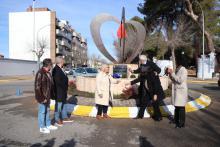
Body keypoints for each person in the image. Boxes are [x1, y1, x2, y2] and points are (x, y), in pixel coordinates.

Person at [126, 55, 163, 120]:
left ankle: (158, 117)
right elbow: (140, 75)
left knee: (155, 103)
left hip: (154, 89)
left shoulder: (151, 66)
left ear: (143, 60)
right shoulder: (143, 68)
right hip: (147, 88)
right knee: (144, 102)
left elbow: (158, 71)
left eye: (140, 60)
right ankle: (140, 116)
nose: (140, 62)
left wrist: (155, 94)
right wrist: (131, 81)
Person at [34, 58, 58, 134]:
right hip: (43, 97)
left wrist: (52, 95)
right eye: (51, 65)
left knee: (47, 111)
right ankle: (42, 127)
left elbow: (50, 85)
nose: (52, 66)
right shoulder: (40, 73)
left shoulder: (48, 73)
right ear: (48, 65)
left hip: (47, 97)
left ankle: (48, 124)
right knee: (42, 112)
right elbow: (37, 87)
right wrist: (41, 98)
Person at [167, 54, 188, 128]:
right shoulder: (178, 68)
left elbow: (180, 80)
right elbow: (174, 79)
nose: (175, 61)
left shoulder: (184, 69)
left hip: (181, 92)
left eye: (176, 60)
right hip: (177, 91)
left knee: (181, 107)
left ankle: (181, 123)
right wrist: (170, 74)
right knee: (177, 107)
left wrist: (172, 73)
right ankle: (176, 120)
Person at [52, 54, 73, 126]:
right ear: (60, 61)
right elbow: (58, 82)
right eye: (63, 59)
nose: (64, 61)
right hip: (59, 92)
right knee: (58, 106)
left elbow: (63, 79)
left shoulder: (61, 68)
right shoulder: (56, 69)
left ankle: (64, 117)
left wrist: (67, 83)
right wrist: (65, 85)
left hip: (63, 91)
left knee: (64, 105)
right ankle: (57, 119)